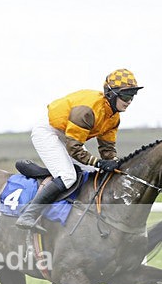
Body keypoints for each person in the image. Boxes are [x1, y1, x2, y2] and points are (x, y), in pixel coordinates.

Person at [16, 69, 143, 230]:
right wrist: (99, 162)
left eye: (132, 96)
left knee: (94, 173)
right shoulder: (87, 111)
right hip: (49, 132)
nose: (129, 100)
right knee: (68, 176)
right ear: (111, 94)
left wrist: (114, 164)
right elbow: (74, 148)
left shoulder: (113, 117)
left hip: (68, 136)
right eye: (125, 96)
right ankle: (28, 214)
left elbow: (107, 149)